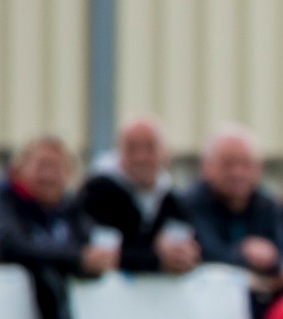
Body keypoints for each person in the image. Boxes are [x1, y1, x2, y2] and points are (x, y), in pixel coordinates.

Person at [0, 137, 118, 319]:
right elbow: (10, 245)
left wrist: (94, 263)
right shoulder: (6, 201)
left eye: (57, 168)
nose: (49, 176)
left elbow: (91, 247)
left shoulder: (68, 208)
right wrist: (77, 258)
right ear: (19, 169)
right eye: (42, 166)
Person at [78, 116, 199, 276]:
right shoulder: (96, 194)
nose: (141, 157)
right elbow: (102, 253)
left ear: (165, 153)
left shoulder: (173, 201)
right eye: (132, 148)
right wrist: (157, 259)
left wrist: (188, 257)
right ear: (118, 152)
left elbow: (193, 244)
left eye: (150, 148)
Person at [184, 123, 283, 292]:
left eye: (245, 164)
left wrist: (274, 260)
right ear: (206, 166)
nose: (237, 173)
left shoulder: (267, 204)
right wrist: (244, 253)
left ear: (258, 168)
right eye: (228, 164)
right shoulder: (190, 203)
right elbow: (205, 253)